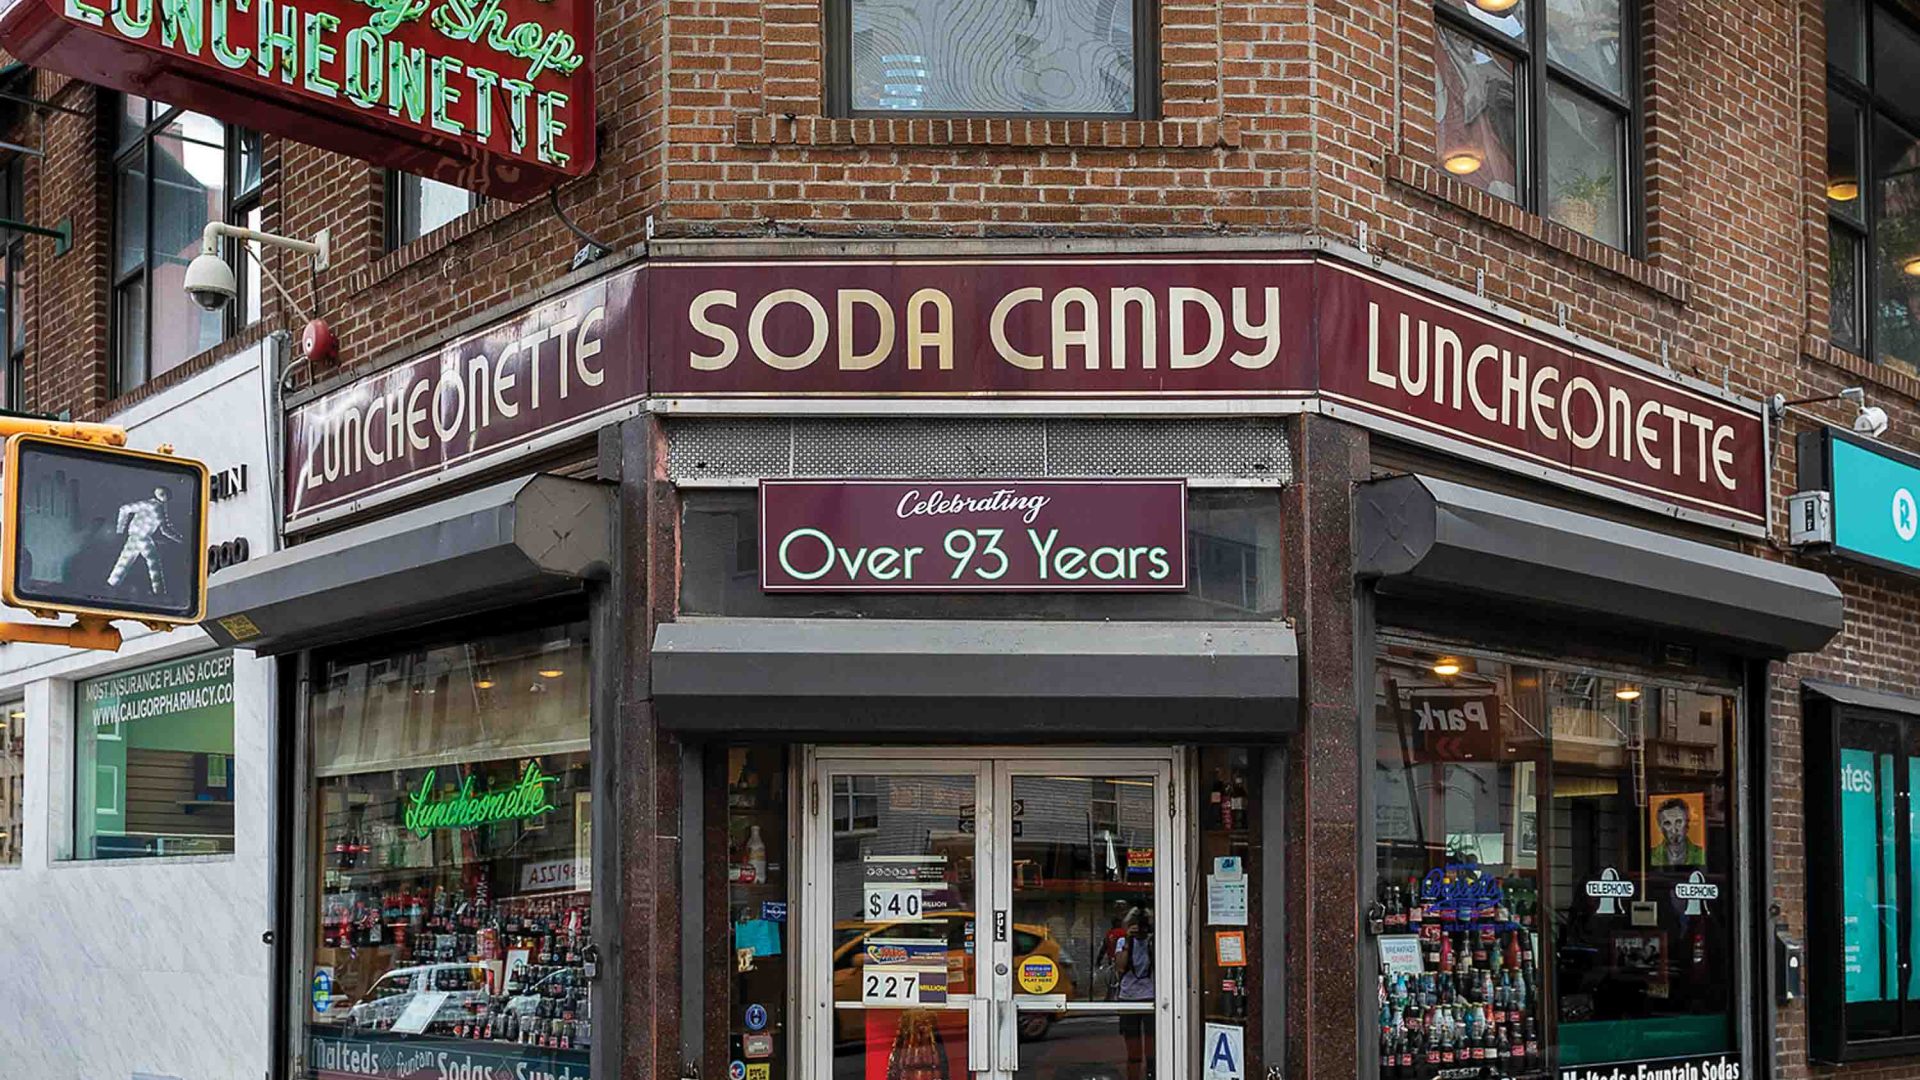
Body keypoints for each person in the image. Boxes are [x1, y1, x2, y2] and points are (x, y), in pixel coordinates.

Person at [108, 486, 184, 595]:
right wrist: (180, 539)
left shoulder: (147, 505)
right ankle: (159, 593)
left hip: (135, 537)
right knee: (153, 563)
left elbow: (124, 509)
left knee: (124, 563)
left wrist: (120, 529)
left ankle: (111, 586)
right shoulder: (156, 507)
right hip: (142, 538)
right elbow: (165, 529)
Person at [1113, 906, 1155, 1080]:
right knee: (1133, 1049)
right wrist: (1129, 942)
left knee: (1153, 1049)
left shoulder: (1154, 941)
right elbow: (1120, 967)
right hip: (1128, 998)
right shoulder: (1123, 942)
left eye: (1143, 925)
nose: (1140, 929)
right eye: (1135, 925)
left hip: (1151, 996)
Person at [1650, 797, 1706, 868]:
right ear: (1660, 828)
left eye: (1678, 822)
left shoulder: (1702, 855)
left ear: (1687, 824)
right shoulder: (1651, 856)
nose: (1674, 831)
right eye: (1667, 823)